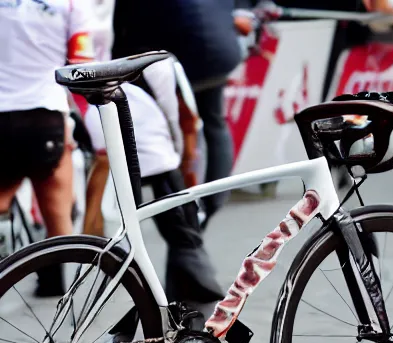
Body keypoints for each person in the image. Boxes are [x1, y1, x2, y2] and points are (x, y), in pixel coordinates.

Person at [83, 0, 224, 312]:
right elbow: (183, 121)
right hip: (156, 155)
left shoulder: (97, 61)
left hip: (106, 153)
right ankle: (189, 291)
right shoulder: (161, 62)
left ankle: (108, 287)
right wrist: (186, 160)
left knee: (119, 231)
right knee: (182, 229)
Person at [112, 0, 254, 229]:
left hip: (177, 56)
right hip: (218, 53)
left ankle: (182, 215)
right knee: (214, 124)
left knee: (171, 132)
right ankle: (207, 207)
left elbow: (125, 23)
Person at [0, 0, 95, 296]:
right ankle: (51, 283)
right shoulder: (70, 4)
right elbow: (83, 68)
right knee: (58, 218)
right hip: (46, 117)